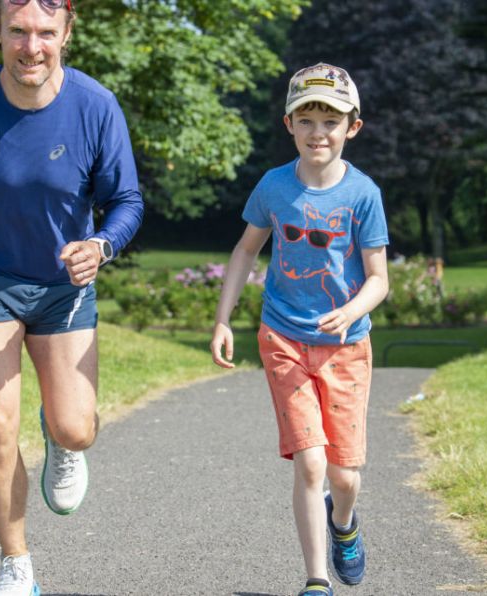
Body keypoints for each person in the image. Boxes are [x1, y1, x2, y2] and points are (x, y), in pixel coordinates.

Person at [0, 0, 143, 593]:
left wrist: (101, 246)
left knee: (76, 429)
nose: (30, 46)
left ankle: (60, 434)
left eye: (44, 32)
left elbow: (127, 202)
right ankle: (15, 563)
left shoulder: (95, 106)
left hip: (65, 289)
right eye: (17, 31)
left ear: (66, 34)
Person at [210, 63, 389, 596]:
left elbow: (379, 280)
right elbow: (246, 249)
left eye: (330, 121)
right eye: (306, 119)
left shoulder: (363, 195)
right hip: (283, 340)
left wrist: (352, 310)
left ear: (352, 127)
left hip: (346, 348)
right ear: (289, 123)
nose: (318, 132)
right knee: (311, 463)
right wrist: (223, 319)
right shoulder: (274, 187)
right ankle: (316, 580)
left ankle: (345, 523)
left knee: (343, 476)